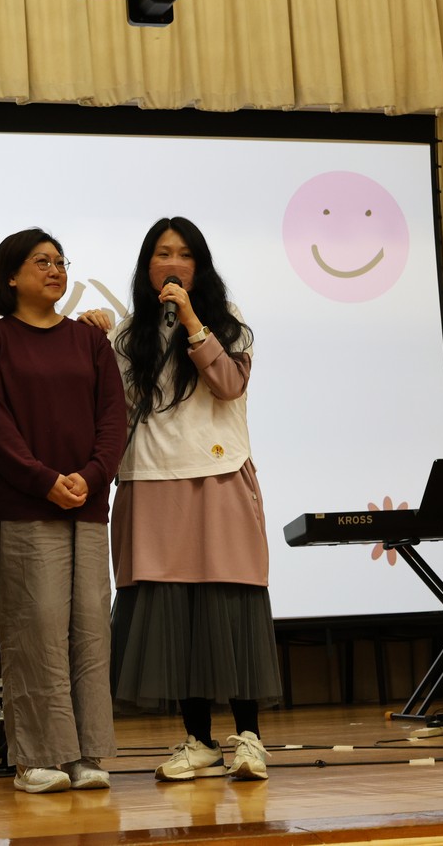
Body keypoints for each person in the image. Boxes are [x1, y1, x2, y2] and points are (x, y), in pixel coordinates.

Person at [105, 216, 283, 782]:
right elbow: (111, 407)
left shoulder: (228, 325)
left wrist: (190, 321)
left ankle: (250, 738)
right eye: (162, 254)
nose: (173, 264)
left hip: (219, 476)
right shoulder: (126, 336)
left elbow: (228, 385)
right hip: (150, 479)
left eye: (184, 254)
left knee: (229, 603)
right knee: (173, 611)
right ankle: (199, 741)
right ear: (147, 267)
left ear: (199, 267)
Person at [0, 228, 128, 794]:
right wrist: (44, 480)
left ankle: (86, 753)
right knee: (34, 633)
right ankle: (36, 757)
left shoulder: (89, 340)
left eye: (61, 262)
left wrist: (91, 476)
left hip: (87, 507)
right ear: (11, 276)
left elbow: (114, 419)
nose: (56, 270)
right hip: (25, 509)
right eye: (42, 262)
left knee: (90, 635)